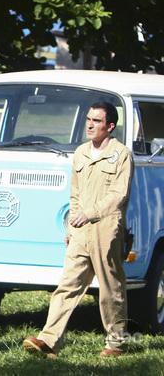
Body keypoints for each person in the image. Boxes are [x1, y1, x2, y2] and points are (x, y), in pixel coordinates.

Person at [23, 102, 134, 358]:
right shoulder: (81, 153)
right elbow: (75, 193)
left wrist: (91, 213)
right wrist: (73, 224)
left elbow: (119, 194)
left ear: (110, 126)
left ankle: (116, 344)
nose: (90, 124)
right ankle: (48, 341)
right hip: (81, 230)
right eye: (88, 119)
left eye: (97, 120)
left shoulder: (121, 154)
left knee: (110, 289)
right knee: (67, 285)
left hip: (107, 229)